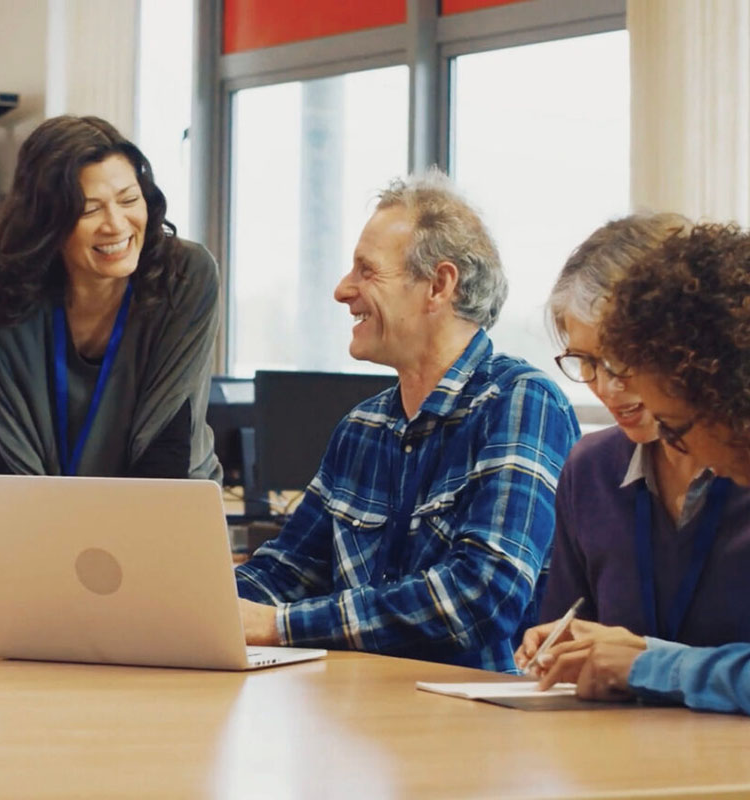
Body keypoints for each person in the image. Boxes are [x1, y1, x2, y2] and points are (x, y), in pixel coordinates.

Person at [233, 171, 579, 671]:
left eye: (366, 271)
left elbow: (481, 597)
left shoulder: (522, 403)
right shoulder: (362, 426)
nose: (341, 290)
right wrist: (199, 607)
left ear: (439, 284)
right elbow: (288, 569)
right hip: (353, 718)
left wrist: (278, 626)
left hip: (473, 729)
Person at [516, 215, 750, 676]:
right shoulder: (590, 469)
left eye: (621, 360)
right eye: (584, 361)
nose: (608, 385)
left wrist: (651, 664)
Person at [0, 115, 220, 481]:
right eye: (89, 209)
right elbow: (10, 461)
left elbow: (166, 442)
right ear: (47, 220)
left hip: (164, 504)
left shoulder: (184, 275)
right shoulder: (4, 297)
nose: (116, 224)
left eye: (129, 199)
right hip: (46, 516)